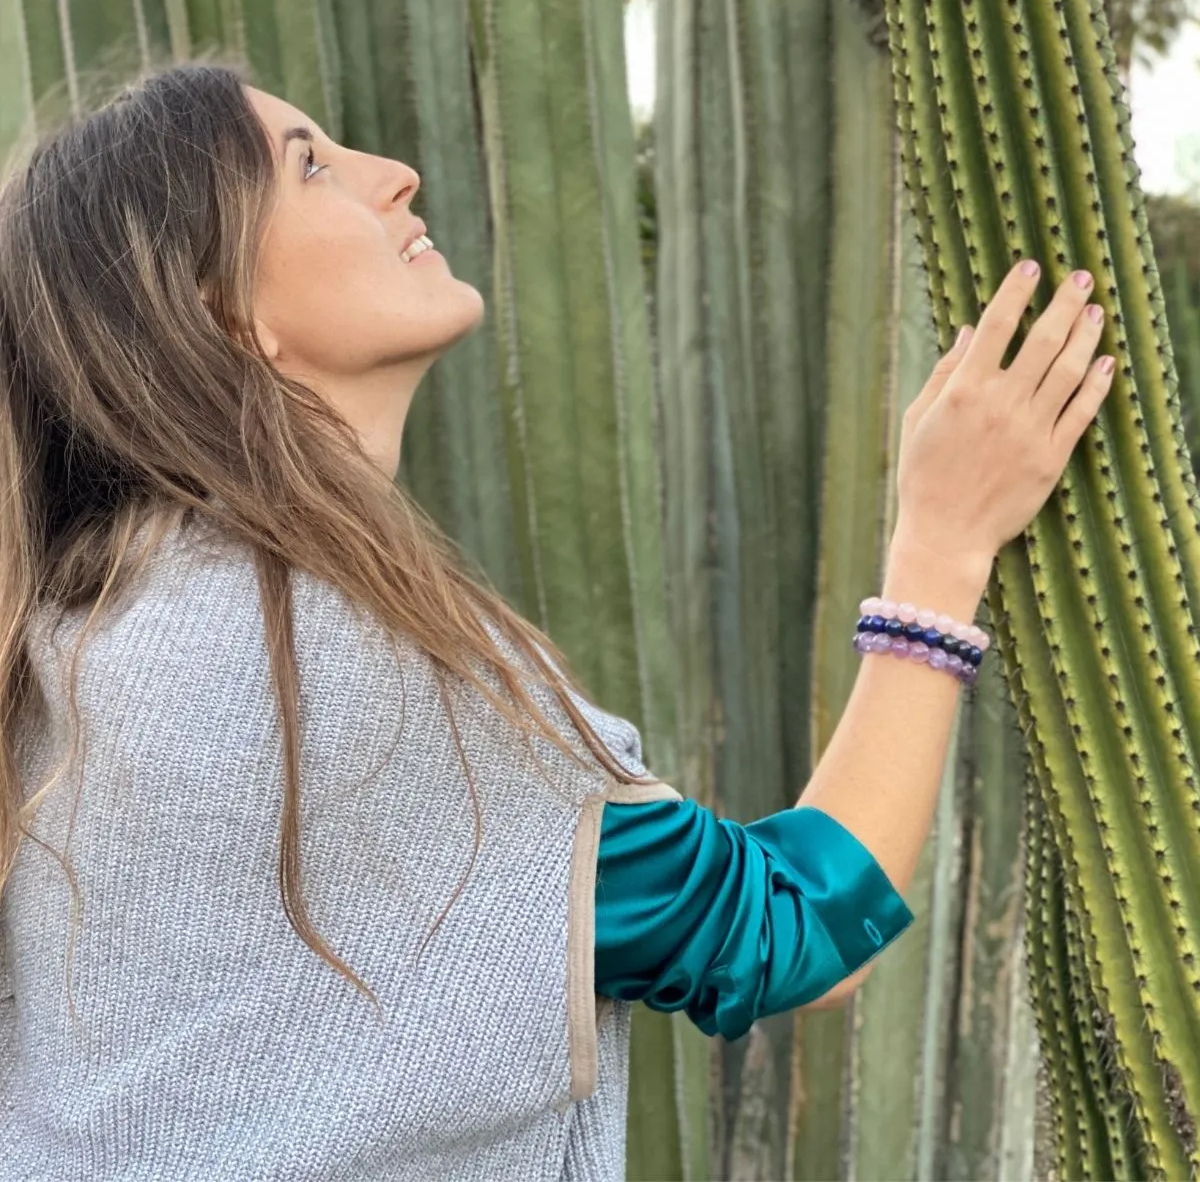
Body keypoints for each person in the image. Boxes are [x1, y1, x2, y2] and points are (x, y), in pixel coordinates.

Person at [0, 64, 1113, 1180]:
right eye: (311, 165)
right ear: (218, 308)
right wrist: (942, 547)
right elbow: (786, 935)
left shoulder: (73, 642)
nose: (395, 175)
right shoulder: (333, 662)